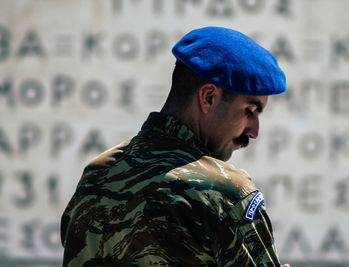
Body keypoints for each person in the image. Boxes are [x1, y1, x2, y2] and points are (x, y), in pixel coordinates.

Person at [61, 26, 289, 267]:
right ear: (208, 98)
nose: (254, 132)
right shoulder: (225, 193)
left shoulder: (96, 176)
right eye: (250, 111)